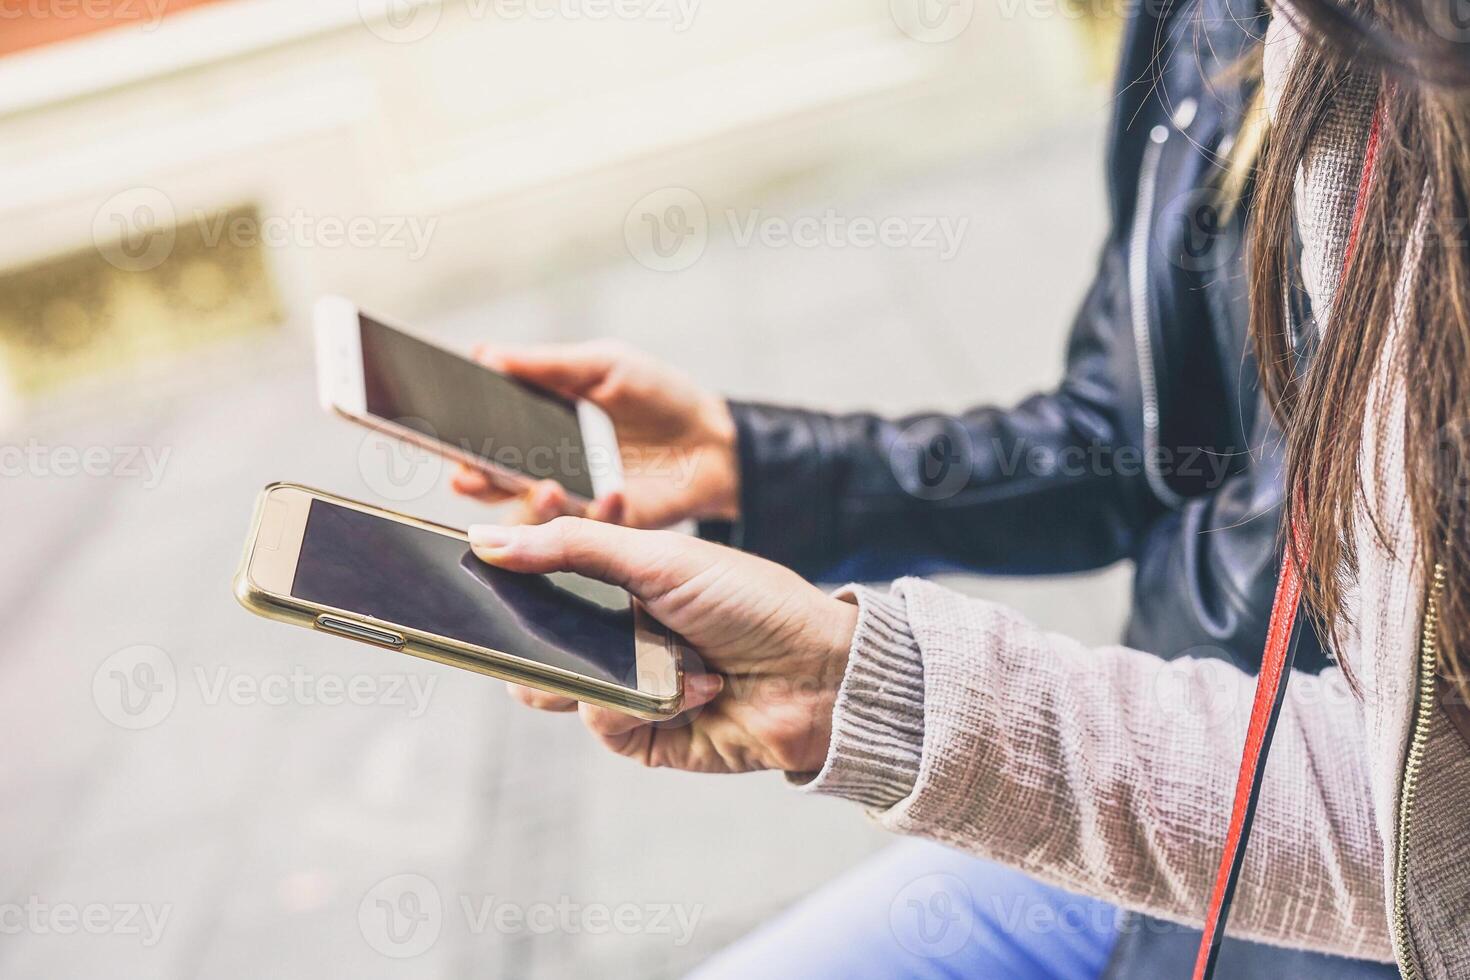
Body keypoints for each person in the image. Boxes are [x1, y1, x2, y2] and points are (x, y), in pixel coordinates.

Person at [449, 1, 1470, 977]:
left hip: (1327, 881)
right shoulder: (1211, 15)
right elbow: (1126, 434)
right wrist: (758, 461)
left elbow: (1422, 827)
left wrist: (855, 687)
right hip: (1150, 781)